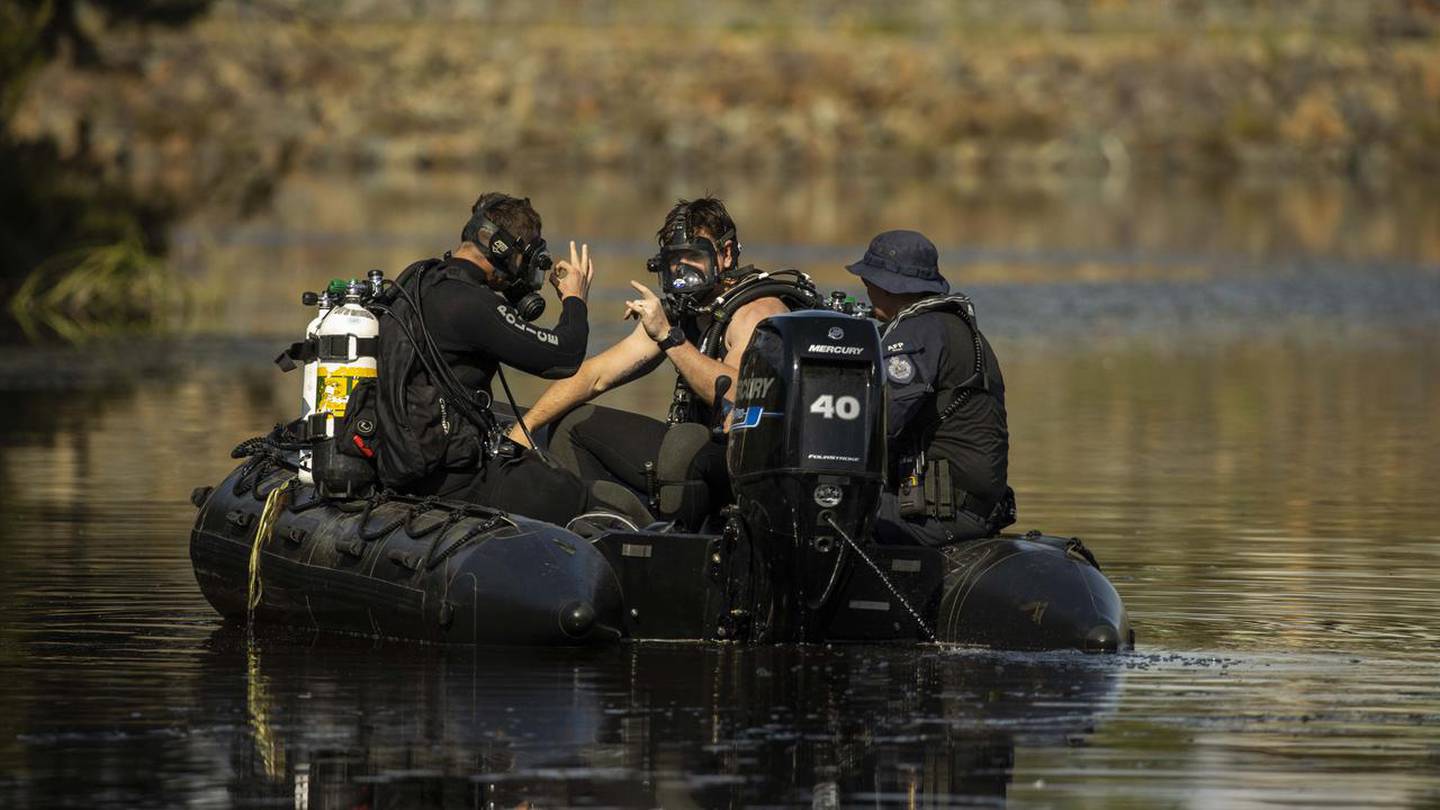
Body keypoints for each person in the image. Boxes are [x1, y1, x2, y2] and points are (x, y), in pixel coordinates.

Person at [505, 196, 821, 527]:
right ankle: (616, 525)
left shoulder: (756, 313)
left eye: (693, 258)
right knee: (572, 423)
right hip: (697, 454)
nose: (682, 271)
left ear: (725, 255)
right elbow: (595, 376)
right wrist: (526, 427)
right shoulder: (686, 312)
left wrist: (669, 338)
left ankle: (680, 543)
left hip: (751, 466)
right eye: (675, 260)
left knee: (682, 445)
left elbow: (738, 393)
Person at [356, 192, 596, 525]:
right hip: (451, 479)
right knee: (569, 493)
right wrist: (575, 299)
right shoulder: (471, 303)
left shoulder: (421, 281)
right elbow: (562, 357)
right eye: (526, 261)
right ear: (506, 252)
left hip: (404, 459)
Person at [847, 230, 1015, 546]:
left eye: (868, 281)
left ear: (885, 285)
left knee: (821, 506)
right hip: (965, 508)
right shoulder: (947, 325)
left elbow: (881, 423)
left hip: (941, 513)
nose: (865, 288)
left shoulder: (920, 332)